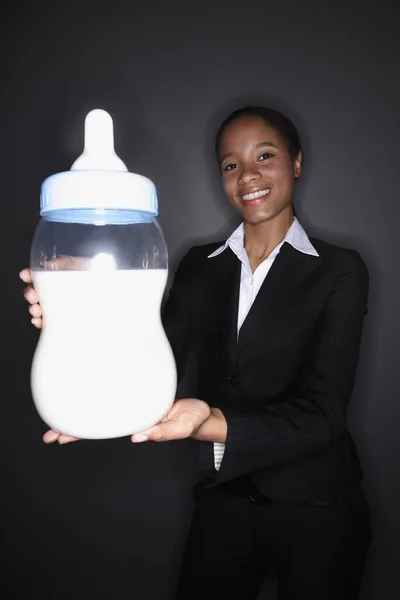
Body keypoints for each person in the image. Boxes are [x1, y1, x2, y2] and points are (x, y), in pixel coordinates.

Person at [20, 105, 372, 599]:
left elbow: (324, 416)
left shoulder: (340, 270)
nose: (248, 176)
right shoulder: (198, 266)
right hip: (223, 500)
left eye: (264, 156)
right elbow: (149, 351)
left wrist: (207, 422)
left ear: (295, 161)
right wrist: (85, 300)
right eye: (231, 164)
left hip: (318, 507)